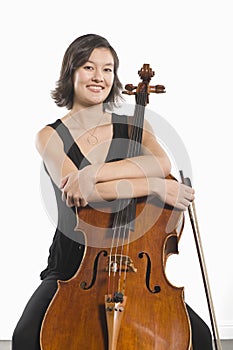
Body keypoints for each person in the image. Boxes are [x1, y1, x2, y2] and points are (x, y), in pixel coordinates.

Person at [12, 33, 213, 349]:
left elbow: (159, 163)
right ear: (70, 72)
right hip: (73, 266)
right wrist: (153, 187)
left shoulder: (136, 127)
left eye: (107, 69)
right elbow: (78, 193)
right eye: (89, 67)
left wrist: (93, 174)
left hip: (138, 268)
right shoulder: (49, 136)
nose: (99, 77)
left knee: (201, 338)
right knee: (25, 338)